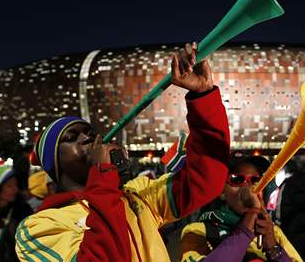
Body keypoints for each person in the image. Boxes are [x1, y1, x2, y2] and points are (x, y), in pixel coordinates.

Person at [15, 43, 231, 261]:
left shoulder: (136, 195)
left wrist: (203, 96)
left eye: (89, 132)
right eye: (71, 138)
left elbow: (205, 180)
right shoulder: (38, 228)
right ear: (56, 164)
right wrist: (102, 174)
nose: (87, 137)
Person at [179, 155, 302, 262]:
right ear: (222, 192)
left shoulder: (273, 232)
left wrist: (273, 248)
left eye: (255, 180)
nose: (249, 189)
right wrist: (247, 226)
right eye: (237, 179)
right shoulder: (198, 231)